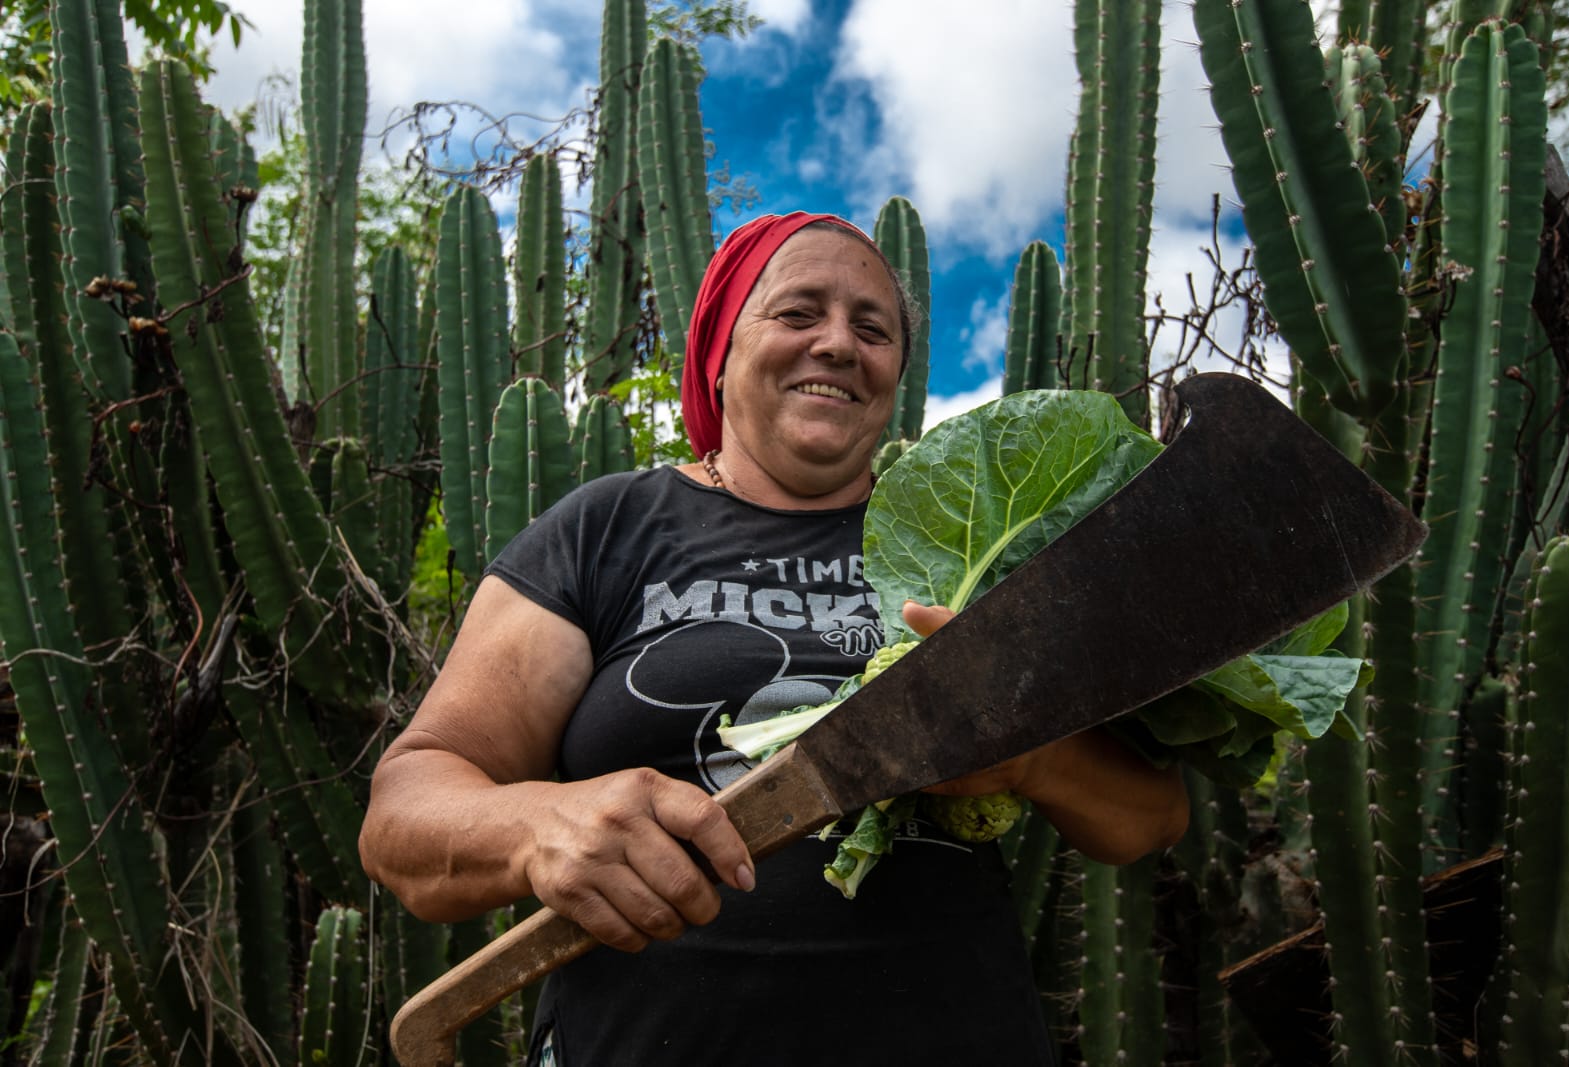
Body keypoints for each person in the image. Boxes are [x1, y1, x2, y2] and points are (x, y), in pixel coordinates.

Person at [360, 211, 1189, 1064]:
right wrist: (539, 824)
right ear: (721, 349)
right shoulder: (610, 528)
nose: (837, 342)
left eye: (873, 329)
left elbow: (1152, 816)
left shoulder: (977, 547)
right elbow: (405, 813)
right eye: (798, 313)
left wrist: (1032, 759)